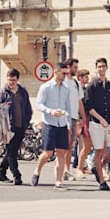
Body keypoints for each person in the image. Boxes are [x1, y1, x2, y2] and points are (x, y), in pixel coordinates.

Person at [32, 60, 71, 189]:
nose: (65, 75)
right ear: (56, 72)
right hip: (49, 123)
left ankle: (58, 181)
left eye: (66, 73)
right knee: (48, 153)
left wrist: (69, 123)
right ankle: (37, 171)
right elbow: (38, 104)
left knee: (61, 153)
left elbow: (68, 107)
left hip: (62, 124)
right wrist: (50, 111)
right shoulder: (46, 87)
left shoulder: (66, 89)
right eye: (63, 73)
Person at [84, 57, 110, 190]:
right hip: (96, 124)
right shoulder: (91, 86)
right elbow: (89, 107)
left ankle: (99, 165)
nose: (101, 69)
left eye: (103, 66)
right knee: (98, 151)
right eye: (99, 66)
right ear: (96, 68)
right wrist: (100, 119)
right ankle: (101, 181)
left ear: (107, 68)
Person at [0, 69, 32, 185]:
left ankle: (1, 173)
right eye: (9, 80)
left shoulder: (22, 92)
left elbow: (28, 108)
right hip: (8, 127)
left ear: (17, 80)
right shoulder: (2, 93)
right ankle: (17, 175)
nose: (11, 82)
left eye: (14, 80)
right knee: (11, 151)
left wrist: (26, 122)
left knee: (12, 150)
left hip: (21, 126)